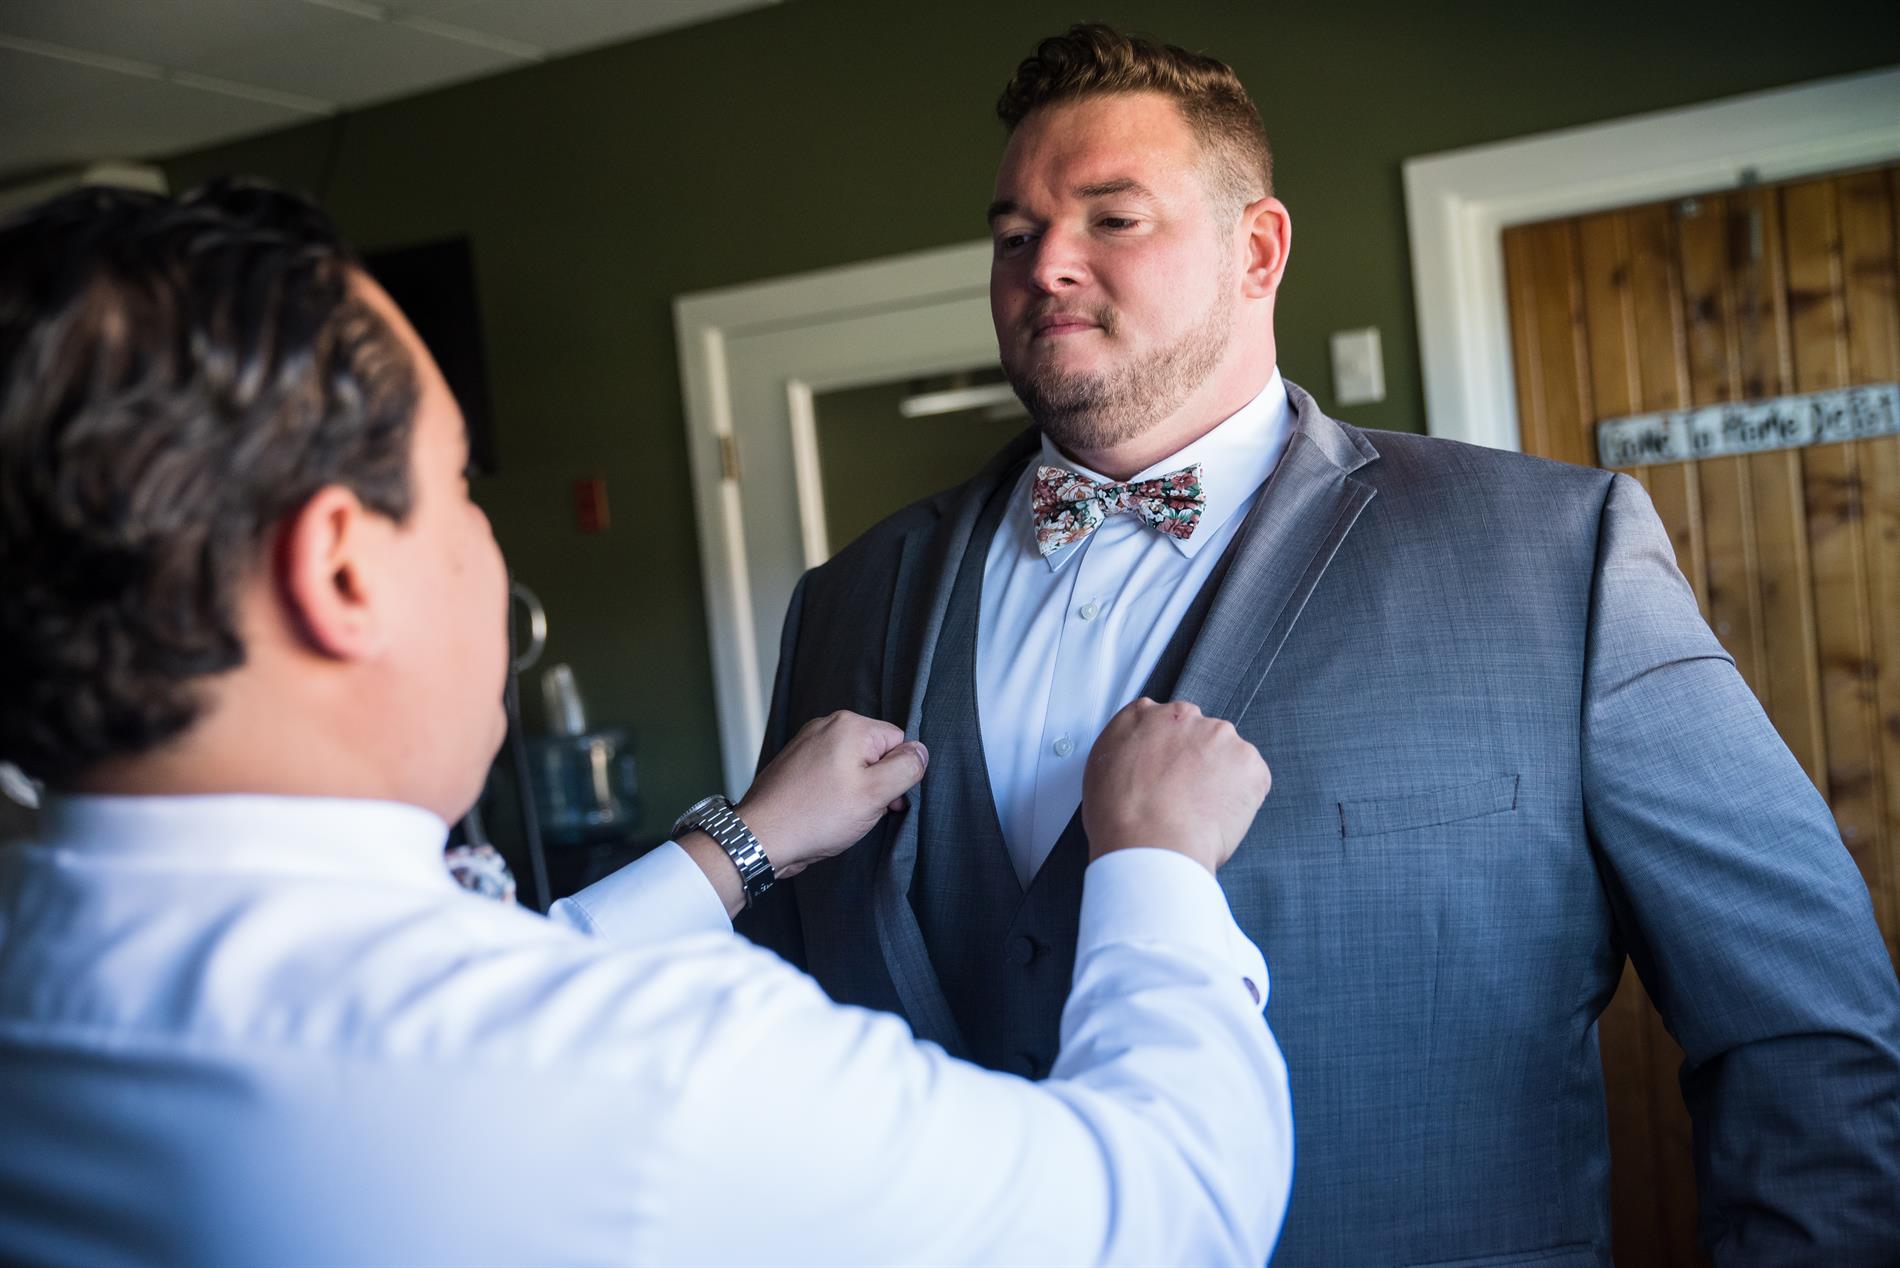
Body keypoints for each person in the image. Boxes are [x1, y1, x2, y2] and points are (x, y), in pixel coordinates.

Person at [739, 23, 1900, 1266]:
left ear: (1257, 249)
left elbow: (1804, 1026)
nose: (1046, 264)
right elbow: (758, 1030)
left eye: (1111, 218)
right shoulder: (849, 600)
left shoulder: (1555, 555)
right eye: (1014, 235)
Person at [0, 182, 1293, 1265]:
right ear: (342, 571)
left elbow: (478, 981)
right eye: (456, 485)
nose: (487, 543)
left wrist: (738, 845)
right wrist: (1157, 867)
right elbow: (1169, 1213)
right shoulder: (651, 1071)